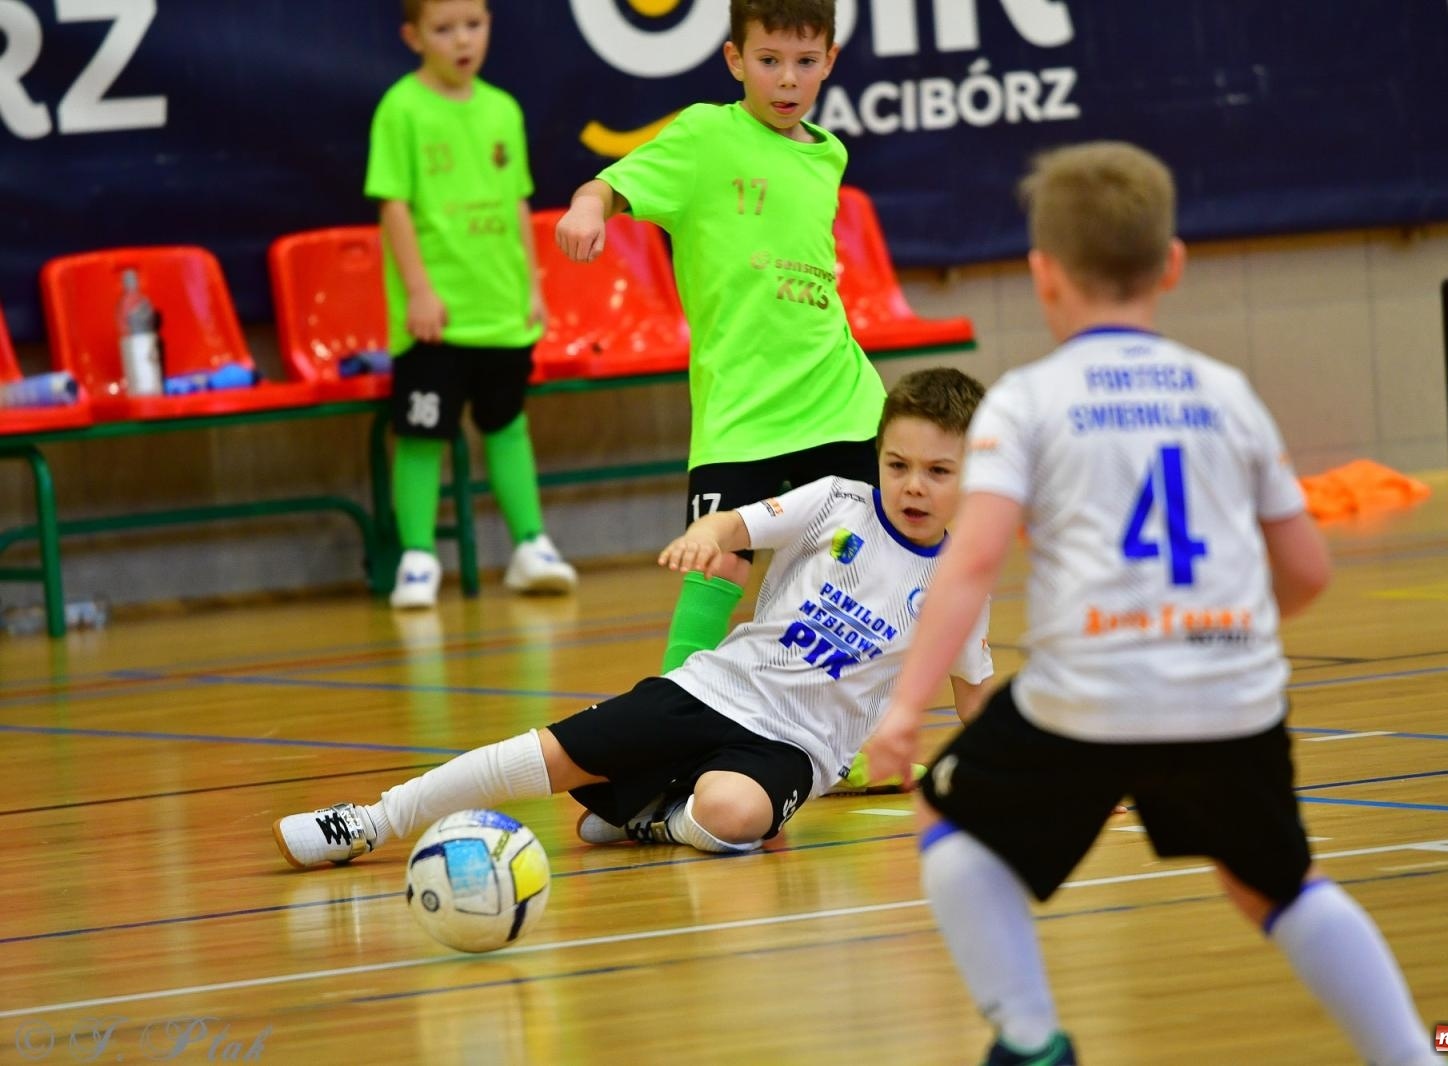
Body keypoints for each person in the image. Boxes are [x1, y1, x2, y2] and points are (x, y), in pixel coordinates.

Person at [863, 144, 1447, 1066]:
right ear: (1171, 265)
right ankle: (1413, 1056)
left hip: (1089, 696)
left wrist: (904, 710)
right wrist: (1213, 628)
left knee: (947, 820)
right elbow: (1307, 572)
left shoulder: (1027, 401)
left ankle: (1030, 1040)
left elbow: (969, 562)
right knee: (1275, 885)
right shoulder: (1227, 394)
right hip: (1229, 695)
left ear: (1043, 275)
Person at [274, 368, 992, 868]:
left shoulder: (963, 582)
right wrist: (704, 535)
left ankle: (654, 818)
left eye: (938, 471)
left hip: (797, 748)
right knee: (547, 755)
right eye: (897, 465)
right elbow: (734, 525)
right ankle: (371, 821)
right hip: (715, 689)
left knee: (733, 815)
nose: (913, 486)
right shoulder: (837, 500)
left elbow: (975, 704)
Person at [553, 1, 885, 691]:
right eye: (768, 60)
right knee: (718, 564)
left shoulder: (829, 153)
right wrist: (588, 207)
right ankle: (666, 720)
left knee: (854, 567)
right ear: (735, 59)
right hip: (740, 410)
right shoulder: (705, 134)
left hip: (840, 400)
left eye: (805, 61)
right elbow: (608, 184)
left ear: (829, 61)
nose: (787, 79)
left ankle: (827, 727)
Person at [371, 0, 575, 610]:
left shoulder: (503, 109)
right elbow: (393, 205)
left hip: (500, 313)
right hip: (437, 320)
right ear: (413, 36)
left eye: (473, 24)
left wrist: (531, 287)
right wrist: (419, 291)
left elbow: (516, 203)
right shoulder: (401, 108)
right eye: (443, 29)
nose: (462, 40)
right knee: (420, 433)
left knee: (507, 425)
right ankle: (416, 557)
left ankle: (531, 545)